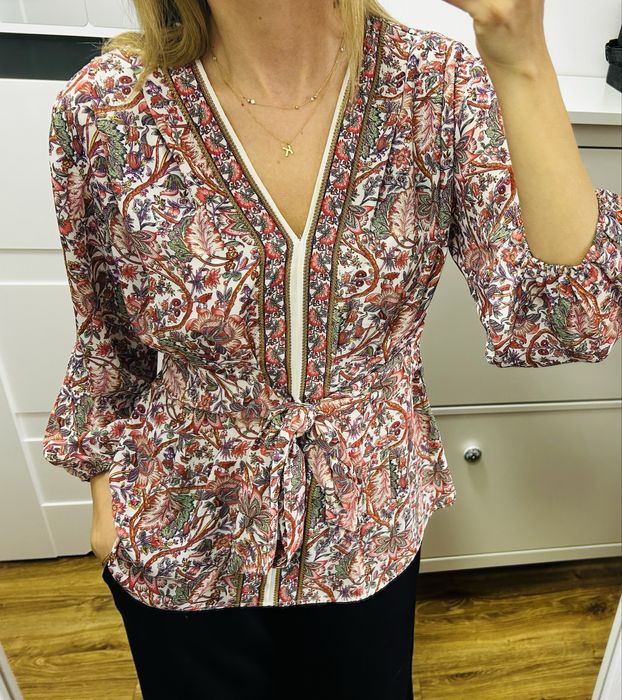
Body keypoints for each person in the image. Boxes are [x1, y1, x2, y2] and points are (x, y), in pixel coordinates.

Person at [41, 1, 621, 698]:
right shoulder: (108, 106)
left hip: (366, 529)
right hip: (181, 532)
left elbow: (569, 320)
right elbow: (105, 335)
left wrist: (520, 56)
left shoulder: (436, 86)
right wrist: (105, 493)